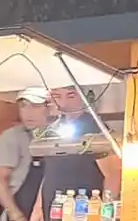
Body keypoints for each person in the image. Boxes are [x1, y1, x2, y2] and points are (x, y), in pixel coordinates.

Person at [42, 86, 122, 214]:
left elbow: (113, 174)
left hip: (83, 211)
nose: (63, 102)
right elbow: (49, 172)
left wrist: (106, 214)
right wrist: (38, 208)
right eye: (57, 96)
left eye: (71, 96)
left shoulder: (95, 128)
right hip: (53, 209)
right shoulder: (52, 130)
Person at [0, 87, 53, 221]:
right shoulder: (11, 137)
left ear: (50, 108)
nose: (28, 112)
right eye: (23, 106)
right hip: (19, 218)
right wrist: (16, 217)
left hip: (52, 216)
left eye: (36, 106)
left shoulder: (61, 139)